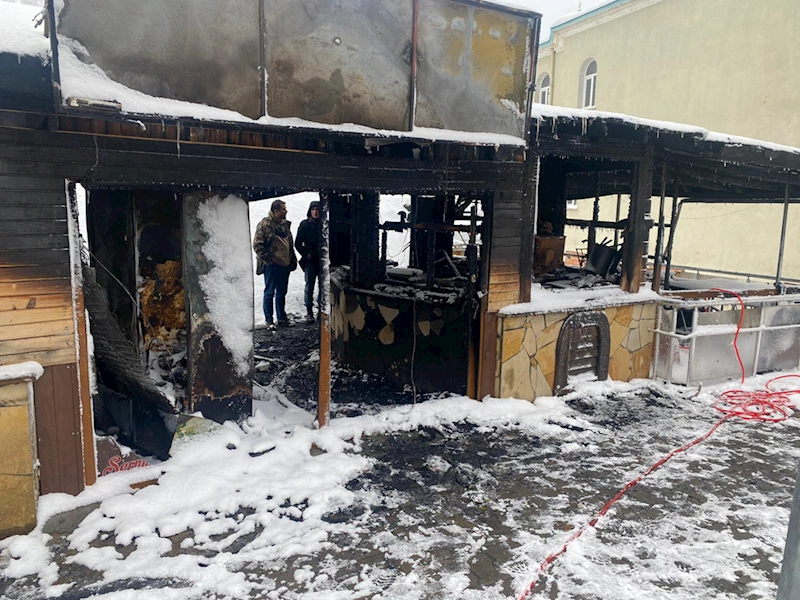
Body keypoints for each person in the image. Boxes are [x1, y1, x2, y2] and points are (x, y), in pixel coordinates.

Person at [253, 200, 297, 328]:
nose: (286, 211)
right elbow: (257, 245)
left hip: (284, 264)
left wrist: (291, 260)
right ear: (276, 211)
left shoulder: (284, 225)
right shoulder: (265, 225)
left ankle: (281, 318)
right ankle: (269, 320)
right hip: (271, 265)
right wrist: (268, 260)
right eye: (283, 209)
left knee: (281, 292)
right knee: (269, 292)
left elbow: (290, 244)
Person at [295, 200, 322, 323]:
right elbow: (297, 243)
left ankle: (321, 310)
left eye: (317, 210)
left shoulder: (324, 225)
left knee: (323, 287)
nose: (315, 212)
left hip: (322, 259)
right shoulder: (305, 224)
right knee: (309, 286)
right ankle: (309, 311)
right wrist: (306, 253)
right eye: (313, 209)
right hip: (310, 260)